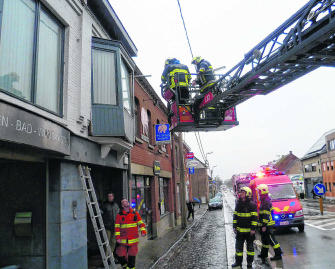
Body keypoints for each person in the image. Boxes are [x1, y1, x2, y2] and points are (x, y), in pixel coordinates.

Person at [115, 198, 146, 269]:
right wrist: (118, 237)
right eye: (124, 202)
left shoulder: (135, 214)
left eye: (126, 201)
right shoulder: (119, 215)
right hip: (123, 240)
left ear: (128, 203)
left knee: (132, 259)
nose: (126, 203)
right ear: (122, 205)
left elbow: (141, 224)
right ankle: (125, 266)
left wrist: (143, 231)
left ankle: (129, 267)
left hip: (133, 240)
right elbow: (117, 228)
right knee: (119, 255)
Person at [232, 187, 258, 268]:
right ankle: (238, 262)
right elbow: (235, 216)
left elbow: (254, 218)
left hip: (249, 232)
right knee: (238, 249)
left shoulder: (252, 204)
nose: (241, 194)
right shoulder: (238, 203)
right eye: (241, 192)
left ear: (248, 194)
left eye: (243, 192)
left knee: (250, 249)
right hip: (240, 232)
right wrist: (234, 226)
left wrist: (253, 229)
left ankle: (249, 264)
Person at [257, 184, 283, 264]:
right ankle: (263, 254)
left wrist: (264, 225)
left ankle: (278, 254)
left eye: (259, 191)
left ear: (262, 192)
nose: (258, 193)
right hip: (265, 224)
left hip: (267, 225)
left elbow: (266, 214)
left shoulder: (265, 202)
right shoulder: (264, 200)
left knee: (272, 240)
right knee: (265, 241)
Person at [191, 56, 216, 123]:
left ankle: (197, 120)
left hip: (209, 86)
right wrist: (195, 81)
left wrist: (198, 73)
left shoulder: (204, 63)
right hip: (205, 88)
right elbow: (200, 79)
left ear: (198, 60)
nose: (195, 64)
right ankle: (197, 119)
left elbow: (202, 69)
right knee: (197, 103)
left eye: (195, 62)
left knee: (198, 103)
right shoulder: (200, 68)